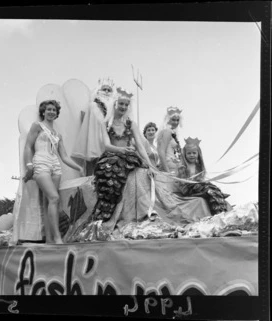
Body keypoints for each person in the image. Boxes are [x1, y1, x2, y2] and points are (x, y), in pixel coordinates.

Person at [64, 90, 211, 242]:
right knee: (111, 179)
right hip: (112, 158)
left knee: (141, 176)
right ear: (115, 104)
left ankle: (141, 215)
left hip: (129, 158)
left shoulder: (131, 124)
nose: (123, 107)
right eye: (121, 103)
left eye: (126, 105)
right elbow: (106, 145)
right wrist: (121, 149)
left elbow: (140, 146)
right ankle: (111, 216)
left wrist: (150, 165)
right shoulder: (105, 123)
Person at [23, 100, 84, 244]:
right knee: (54, 198)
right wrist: (29, 165)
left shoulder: (58, 134)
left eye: (54, 110)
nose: (51, 112)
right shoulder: (37, 126)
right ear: (43, 112)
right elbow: (28, 147)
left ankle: (49, 239)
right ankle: (58, 238)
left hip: (55, 165)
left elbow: (64, 156)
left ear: (57, 114)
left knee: (48, 202)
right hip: (41, 162)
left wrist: (79, 168)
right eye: (49, 109)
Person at [71, 78, 117, 175]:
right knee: (93, 167)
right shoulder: (93, 105)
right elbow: (90, 127)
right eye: (104, 89)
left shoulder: (114, 107)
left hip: (111, 140)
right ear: (99, 91)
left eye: (109, 90)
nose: (107, 92)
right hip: (95, 141)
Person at [177, 137, 232, 215]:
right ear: (184, 154)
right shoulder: (183, 167)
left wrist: (201, 182)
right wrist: (182, 174)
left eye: (194, 153)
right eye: (189, 153)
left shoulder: (198, 166)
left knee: (213, 188)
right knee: (209, 190)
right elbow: (182, 186)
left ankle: (220, 202)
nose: (192, 155)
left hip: (199, 187)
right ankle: (217, 212)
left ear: (198, 154)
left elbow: (201, 179)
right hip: (190, 189)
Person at [157, 106, 183, 175]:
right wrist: (167, 171)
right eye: (173, 120)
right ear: (168, 120)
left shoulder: (171, 132)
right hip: (169, 166)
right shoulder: (167, 132)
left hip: (174, 165)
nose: (176, 122)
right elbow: (161, 152)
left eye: (177, 120)